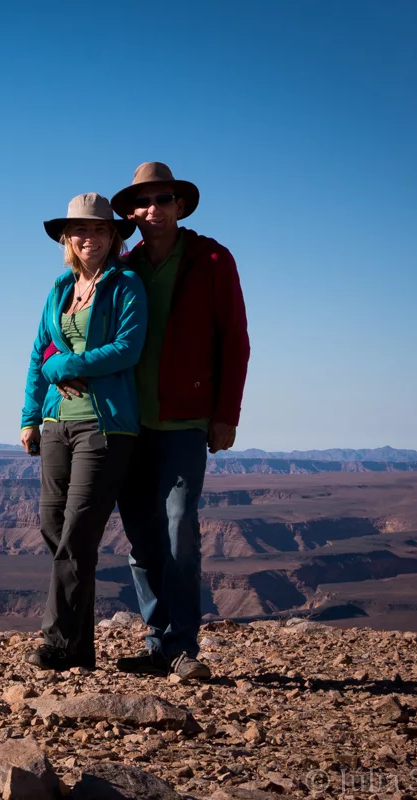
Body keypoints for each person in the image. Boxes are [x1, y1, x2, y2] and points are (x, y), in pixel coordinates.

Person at [108, 162, 251, 681]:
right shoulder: (124, 266)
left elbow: (234, 339)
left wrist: (226, 414)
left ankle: (183, 646)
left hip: (186, 422)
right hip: (128, 425)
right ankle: (157, 644)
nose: (154, 210)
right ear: (129, 212)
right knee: (142, 541)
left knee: (178, 533)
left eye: (163, 200)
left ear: (180, 206)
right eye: (143, 203)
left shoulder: (211, 259)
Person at [20, 192, 148, 671]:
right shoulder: (59, 289)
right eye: (79, 230)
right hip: (56, 424)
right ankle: (81, 649)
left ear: (113, 235)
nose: (87, 237)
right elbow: (38, 355)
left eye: (97, 229)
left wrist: (69, 363)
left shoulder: (126, 286)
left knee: (77, 534)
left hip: (105, 424)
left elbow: (127, 348)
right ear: (67, 239)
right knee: (53, 528)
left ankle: (57, 643)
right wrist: (29, 417)